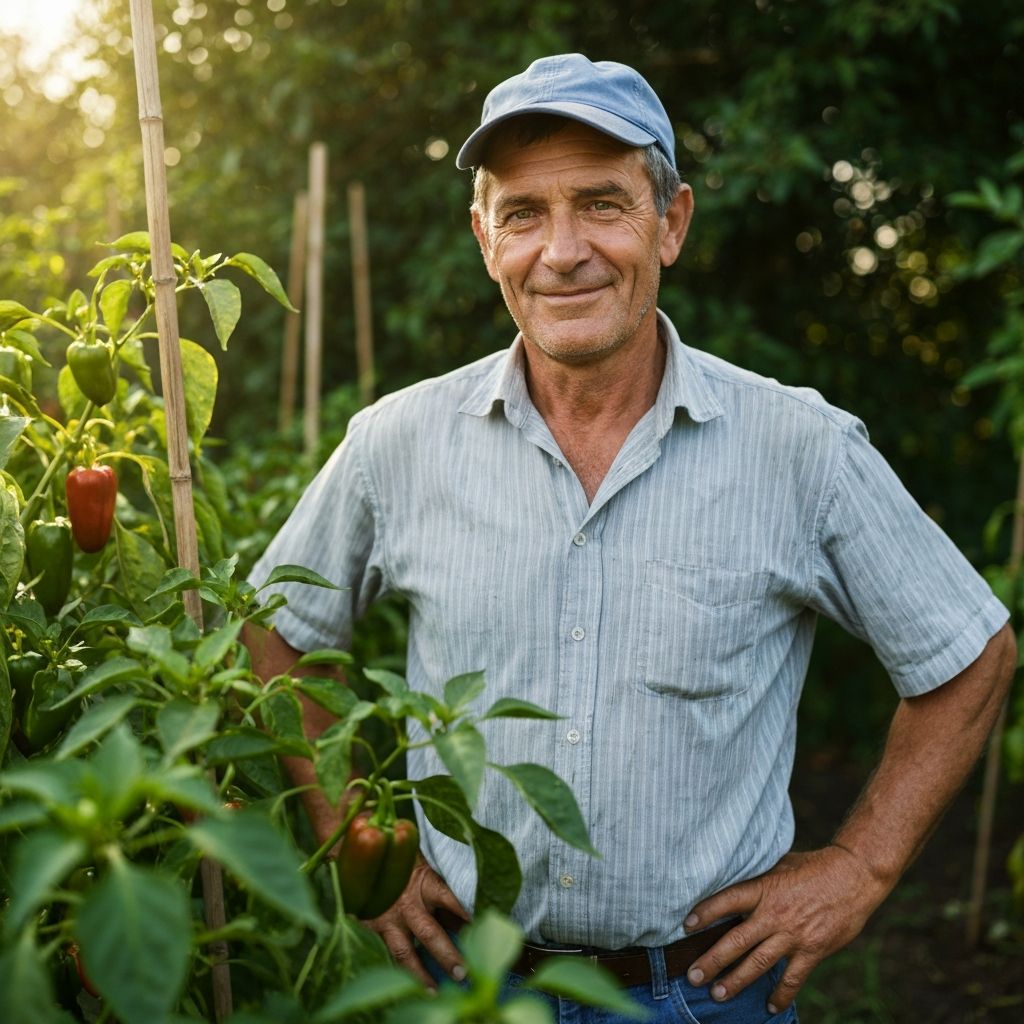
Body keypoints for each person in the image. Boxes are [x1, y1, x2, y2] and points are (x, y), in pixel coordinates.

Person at [246, 53, 1015, 1023]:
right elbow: (277, 628)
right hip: (458, 986)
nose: (561, 250)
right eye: (523, 212)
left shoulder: (799, 448)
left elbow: (967, 653)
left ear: (672, 223)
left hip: (701, 994)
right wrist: (352, 830)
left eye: (601, 203)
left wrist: (859, 867)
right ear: (485, 240)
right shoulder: (394, 445)